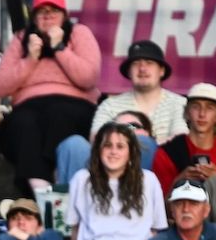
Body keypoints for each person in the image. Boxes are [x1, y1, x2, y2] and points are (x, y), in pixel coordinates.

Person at [0, 0, 100, 193]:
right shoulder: (22, 38)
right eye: (42, 11)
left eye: (54, 11)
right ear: (34, 17)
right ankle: (41, 192)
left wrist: (60, 48)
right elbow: (0, 86)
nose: (48, 15)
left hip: (74, 106)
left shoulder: (79, 33)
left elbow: (88, 77)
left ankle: (59, 177)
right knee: (23, 123)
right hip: (28, 108)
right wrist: (30, 59)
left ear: (64, 16)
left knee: (58, 113)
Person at [63, 121, 167, 240]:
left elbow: (156, 230)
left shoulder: (149, 180)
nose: (113, 152)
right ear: (98, 151)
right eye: (107, 145)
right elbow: (76, 228)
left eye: (120, 146)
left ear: (131, 152)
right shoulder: (81, 179)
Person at [54, 40, 185, 185]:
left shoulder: (178, 103)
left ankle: (135, 201)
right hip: (107, 165)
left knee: (144, 143)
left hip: (155, 174)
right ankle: (73, 203)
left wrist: (140, 139)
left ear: (161, 70)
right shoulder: (110, 104)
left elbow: (179, 140)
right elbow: (96, 139)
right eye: (136, 64)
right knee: (74, 144)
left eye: (149, 63)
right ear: (129, 71)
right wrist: (122, 144)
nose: (142, 68)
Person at [153, 83, 216, 197]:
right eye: (196, 107)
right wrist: (179, 181)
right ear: (186, 113)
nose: (202, 114)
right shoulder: (166, 153)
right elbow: (158, 207)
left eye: (210, 108)